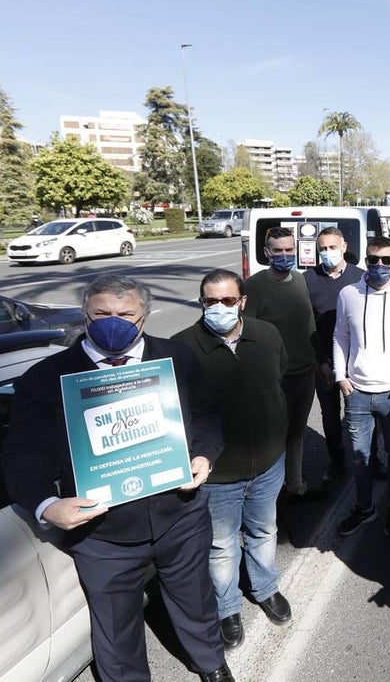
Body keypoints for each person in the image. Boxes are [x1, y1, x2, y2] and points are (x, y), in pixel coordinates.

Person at [2, 275, 234, 682]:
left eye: (125, 314)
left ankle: (211, 664)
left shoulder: (177, 359)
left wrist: (203, 455)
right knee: (116, 629)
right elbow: (23, 455)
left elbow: (209, 415)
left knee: (196, 602)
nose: (114, 322)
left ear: (144, 315)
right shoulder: (45, 378)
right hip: (102, 534)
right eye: (102, 314)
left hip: (180, 515)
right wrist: (47, 505)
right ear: (85, 315)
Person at [171, 269, 292, 652]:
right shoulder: (180, 348)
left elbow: (281, 377)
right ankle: (227, 609)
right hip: (218, 474)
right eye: (210, 301)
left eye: (227, 301)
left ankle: (265, 588)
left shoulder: (267, 335)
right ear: (200, 302)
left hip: (269, 463)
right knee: (221, 546)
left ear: (242, 302)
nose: (219, 308)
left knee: (264, 531)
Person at [333, 235, 390, 538]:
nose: (379, 266)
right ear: (364, 260)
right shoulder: (348, 294)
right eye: (373, 260)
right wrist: (340, 376)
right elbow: (340, 336)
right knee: (361, 459)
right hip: (357, 393)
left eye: (386, 260)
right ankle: (364, 507)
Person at [243, 226, 322, 501]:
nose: (285, 255)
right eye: (278, 251)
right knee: (273, 437)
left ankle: (295, 485)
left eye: (289, 250)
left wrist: (317, 362)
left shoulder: (300, 280)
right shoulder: (253, 287)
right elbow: (247, 336)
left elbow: (309, 324)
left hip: (304, 375)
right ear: (267, 253)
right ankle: (269, 495)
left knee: (297, 434)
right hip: (273, 379)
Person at [303, 226, 368, 484]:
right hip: (325, 363)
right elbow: (308, 326)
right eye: (322, 249)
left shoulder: (360, 277)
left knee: (361, 415)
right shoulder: (308, 280)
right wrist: (323, 363)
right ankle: (337, 461)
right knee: (330, 416)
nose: (327, 253)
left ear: (343, 247)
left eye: (332, 247)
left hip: (356, 363)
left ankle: (371, 459)